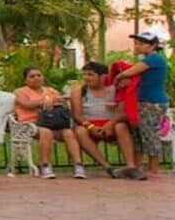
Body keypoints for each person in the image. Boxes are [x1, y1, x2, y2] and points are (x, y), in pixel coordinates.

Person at [113, 32, 170, 176]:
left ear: (153, 45)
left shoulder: (154, 59)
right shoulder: (147, 60)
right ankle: (136, 167)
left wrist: (119, 76)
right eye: (136, 43)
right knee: (138, 135)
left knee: (150, 134)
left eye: (142, 44)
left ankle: (153, 169)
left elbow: (128, 73)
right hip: (142, 101)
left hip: (152, 102)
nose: (137, 46)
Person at [70, 61, 138, 179]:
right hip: (90, 124)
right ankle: (108, 167)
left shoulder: (116, 89)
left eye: (90, 75)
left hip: (113, 123)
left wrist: (110, 124)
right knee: (80, 131)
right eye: (84, 74)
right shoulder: (79, 90)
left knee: (121, 126)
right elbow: (77, 116)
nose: (86, 78)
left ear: (103, 77)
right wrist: (91, 127)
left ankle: (131, 167)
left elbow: (124, 112)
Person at [13, 67, 82, 179]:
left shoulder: (51, 91)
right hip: (30, 124)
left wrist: (60, 101)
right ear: (25, 80)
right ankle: (45, 165)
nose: (36, 78)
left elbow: (62, 103)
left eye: (39, 75)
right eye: (32, 76)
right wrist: (45, 102)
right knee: (46, 132)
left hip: (52, 122)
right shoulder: (20, 92)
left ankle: (78, 165)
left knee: (68, 133)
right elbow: (26, 104)